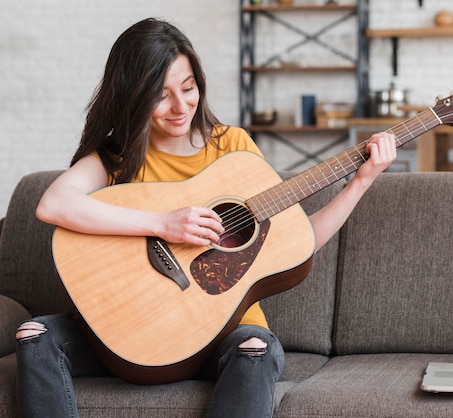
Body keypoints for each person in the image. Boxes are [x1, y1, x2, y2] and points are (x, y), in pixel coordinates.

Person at [15, 18, 396, 418]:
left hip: (225, 334)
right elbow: (54, 204)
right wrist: (162, 223)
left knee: (257, 349)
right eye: (161, 96)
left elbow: (298, 240)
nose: (181, 107)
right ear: (132, 96)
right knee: (34, 335)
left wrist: (360, 183)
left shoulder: (233, 150)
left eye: (188, 87)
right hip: (125, 337)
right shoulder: (117, 157)